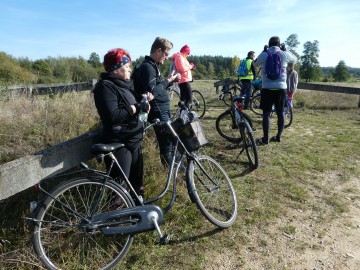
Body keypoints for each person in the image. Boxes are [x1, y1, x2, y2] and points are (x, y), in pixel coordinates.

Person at [93, 48, 153, 201]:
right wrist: (136, 107)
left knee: (136, 187)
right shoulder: (105, 87)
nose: (130, 70)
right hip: (119, 145)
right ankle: (113, 223)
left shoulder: (123, 85)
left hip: (133, 142)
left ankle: (136, 219)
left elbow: (131, 109)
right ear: (116, 69)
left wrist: (144, 104)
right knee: (119, 192)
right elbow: (113, 115)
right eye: (126, 67)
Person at [132, 37, 180, 165]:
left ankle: (176, 169)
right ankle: (172, 173)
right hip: (158, 112)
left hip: (162, 110)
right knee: (166, 145)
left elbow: (158, 88)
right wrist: (168, 80)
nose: (166, 57)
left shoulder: (153, 66)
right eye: (166, 54)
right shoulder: (148, 67)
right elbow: (152, 91)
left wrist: (169, 82)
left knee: (172, 140)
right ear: (159, 51)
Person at [253, 36, 297, 145]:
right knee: (280, 112)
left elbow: (254, 64)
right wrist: (285, 49)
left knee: (266, 113)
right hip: (281, 88)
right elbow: (295, 59)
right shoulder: (283, 54)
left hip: (266, 88)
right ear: (279, 44)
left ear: (268, 44)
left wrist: (263, 51)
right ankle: (278, 136)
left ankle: (265, 139)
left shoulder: (264, 54)